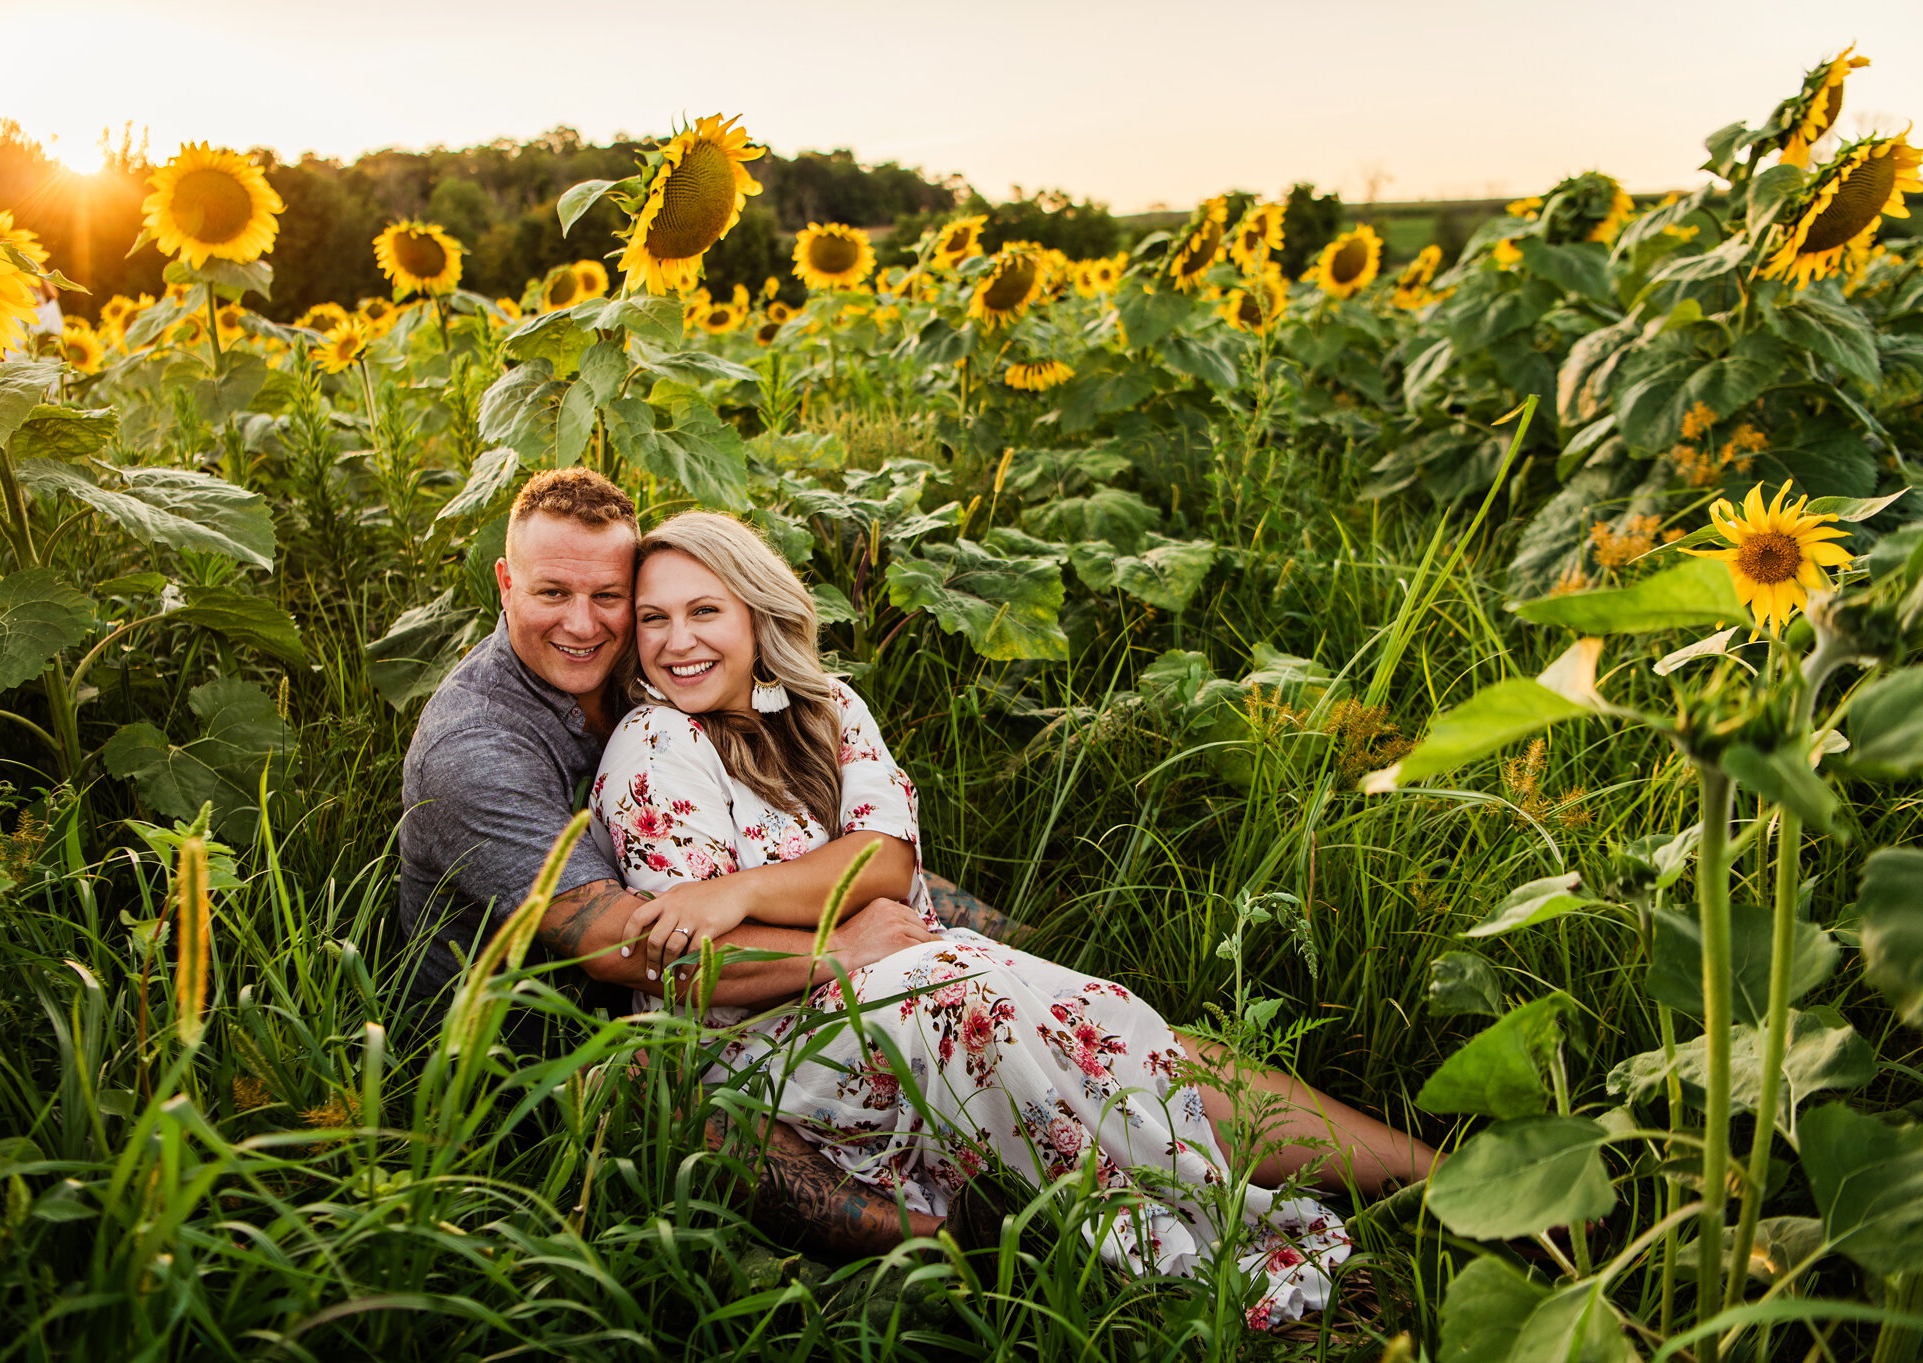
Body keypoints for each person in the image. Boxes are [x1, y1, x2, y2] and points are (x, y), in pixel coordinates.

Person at [584, 511, 1440, 1320]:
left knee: (1098, 1025)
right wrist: (844, 950)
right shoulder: (658, 743)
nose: (677, 641)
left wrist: (740, 890)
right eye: (653, 618)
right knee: (976, 993)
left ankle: (1434, 1180)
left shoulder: (828, 708)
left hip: (911, 983)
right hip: (758, 1044)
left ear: (756, 612)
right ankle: (1201, 1260)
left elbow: (886, 862)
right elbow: (691, 965)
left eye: (704, 610)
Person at [397, 467, 1008, 1252]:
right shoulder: (477, 748)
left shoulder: (640, 664)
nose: (582, 624)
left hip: (679, 962)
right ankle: (947, 1247)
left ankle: (1029, 1020)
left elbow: (869, 857)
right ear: (506, 584)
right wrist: (839, 951)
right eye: (552, 593)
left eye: (610, 598)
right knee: (670, 1092)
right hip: (535, 1057)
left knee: (922, 916)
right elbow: (626, 946)